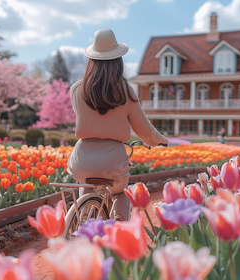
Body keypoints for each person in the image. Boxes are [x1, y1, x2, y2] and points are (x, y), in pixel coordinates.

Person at [67, 29, 168, 221]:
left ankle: (82, 220)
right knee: (119, 193)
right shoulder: (125, 92)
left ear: (91, 60)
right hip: (112, 161)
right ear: (118, 61)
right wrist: (159, 140)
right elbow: (144, 131)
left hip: (81, 159)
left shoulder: (77, 89)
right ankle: (120, 228)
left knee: (86, 186)